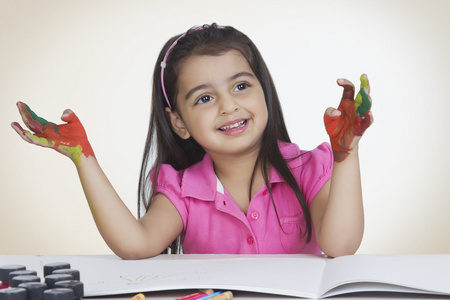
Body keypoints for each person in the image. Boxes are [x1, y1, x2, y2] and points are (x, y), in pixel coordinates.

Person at [11, 23, 373, 259]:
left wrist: (347, 153)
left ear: (265, 92)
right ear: (179, 122)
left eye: (241, 86)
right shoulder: (181, 190)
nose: (229, 105)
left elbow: (340, 245)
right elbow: (136, 245)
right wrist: (83, 158)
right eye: (204, 98)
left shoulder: (310, 169)